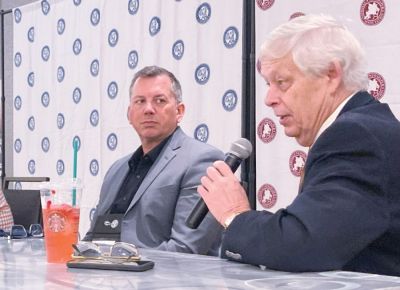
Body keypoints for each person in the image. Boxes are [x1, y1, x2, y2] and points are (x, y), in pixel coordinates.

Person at [198, 14, 400, 276]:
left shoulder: (356, 135)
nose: (269, 99)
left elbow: (300, 245)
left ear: (331, 74)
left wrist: (234, 215)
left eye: (282, 82)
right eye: (269, 84)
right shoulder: (363, 126)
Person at [84, 65, 224, 255]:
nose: (148, 109)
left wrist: (121, 267)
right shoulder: (116, 170)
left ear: (179, 111)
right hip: (105, 279)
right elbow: (94, 238)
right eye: (140, 101)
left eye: (159, 101)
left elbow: (185, 250)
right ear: (129, 114)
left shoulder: (203, 161)